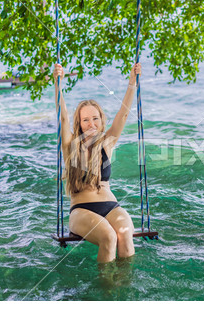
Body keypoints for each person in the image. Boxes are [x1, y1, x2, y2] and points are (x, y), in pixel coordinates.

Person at [53, 63, 141, 263]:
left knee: (125, 234)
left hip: (111, 206)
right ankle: (106, 291)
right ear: (79, 124)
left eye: (95, 118)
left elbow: (123, 114)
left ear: (102, 121)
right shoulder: (70, 146)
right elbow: (63, 118)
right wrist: (58, 83)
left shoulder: (107, 143)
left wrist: (132, 83)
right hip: (82, 210)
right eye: (85, 120)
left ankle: (123, 287)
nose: (91, 124)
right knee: (108, 237)